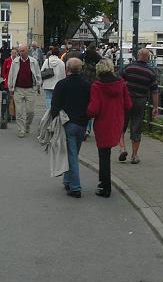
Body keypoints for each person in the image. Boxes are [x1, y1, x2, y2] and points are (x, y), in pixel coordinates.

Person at [87, 58, 131, 197]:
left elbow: (94, 109)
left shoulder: (97, 86)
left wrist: (86, 112)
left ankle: (105, 186)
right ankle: (105, 185)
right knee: (108, 153)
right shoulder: (122, 84)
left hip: (103, 123)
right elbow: (128, 105)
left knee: (104, 156)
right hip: (117, 122)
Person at [50, 57, 91, 198]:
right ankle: (67, 180)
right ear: (81, 69)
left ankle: (75, 187)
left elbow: (54, 106)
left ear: (67, 69)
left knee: (71, 155)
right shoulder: (87, 85)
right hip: (82, 124)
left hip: (68, 123)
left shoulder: (62, 84)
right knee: (73, 153)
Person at [118, 48, 159, 164]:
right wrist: (155, 107)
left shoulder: (128, 68)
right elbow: (155, 91)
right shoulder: (151, 72)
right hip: (140, 101)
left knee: (121, 125)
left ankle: (122, 149)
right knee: (136, 127)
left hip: (126, 100)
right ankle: (134, 155)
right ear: (148, 58)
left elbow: (118, 82)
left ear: (138, 55)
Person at [8, 44, 42, 138]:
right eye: (20, 51)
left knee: (30, 112)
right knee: (19, 112)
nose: (21, 53)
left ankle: (27, 125)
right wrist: (11, 88)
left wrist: (37, 86)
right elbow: (11, 75)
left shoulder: (33, 62)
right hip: (18, 89)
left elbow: (38, 75)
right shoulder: (15, 62)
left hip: (30, 89)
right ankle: (21, 130)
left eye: (23, 51)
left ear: (27, 51)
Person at [41, 45, 66, 110]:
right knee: (57, 100)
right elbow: (63, 75)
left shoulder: (47, 61)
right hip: (57, 85)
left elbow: (42, 72)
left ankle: (49, 113)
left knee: (48, 98)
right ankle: (55, 112)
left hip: (47, 84)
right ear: (59, 54)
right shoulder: (61, 63)